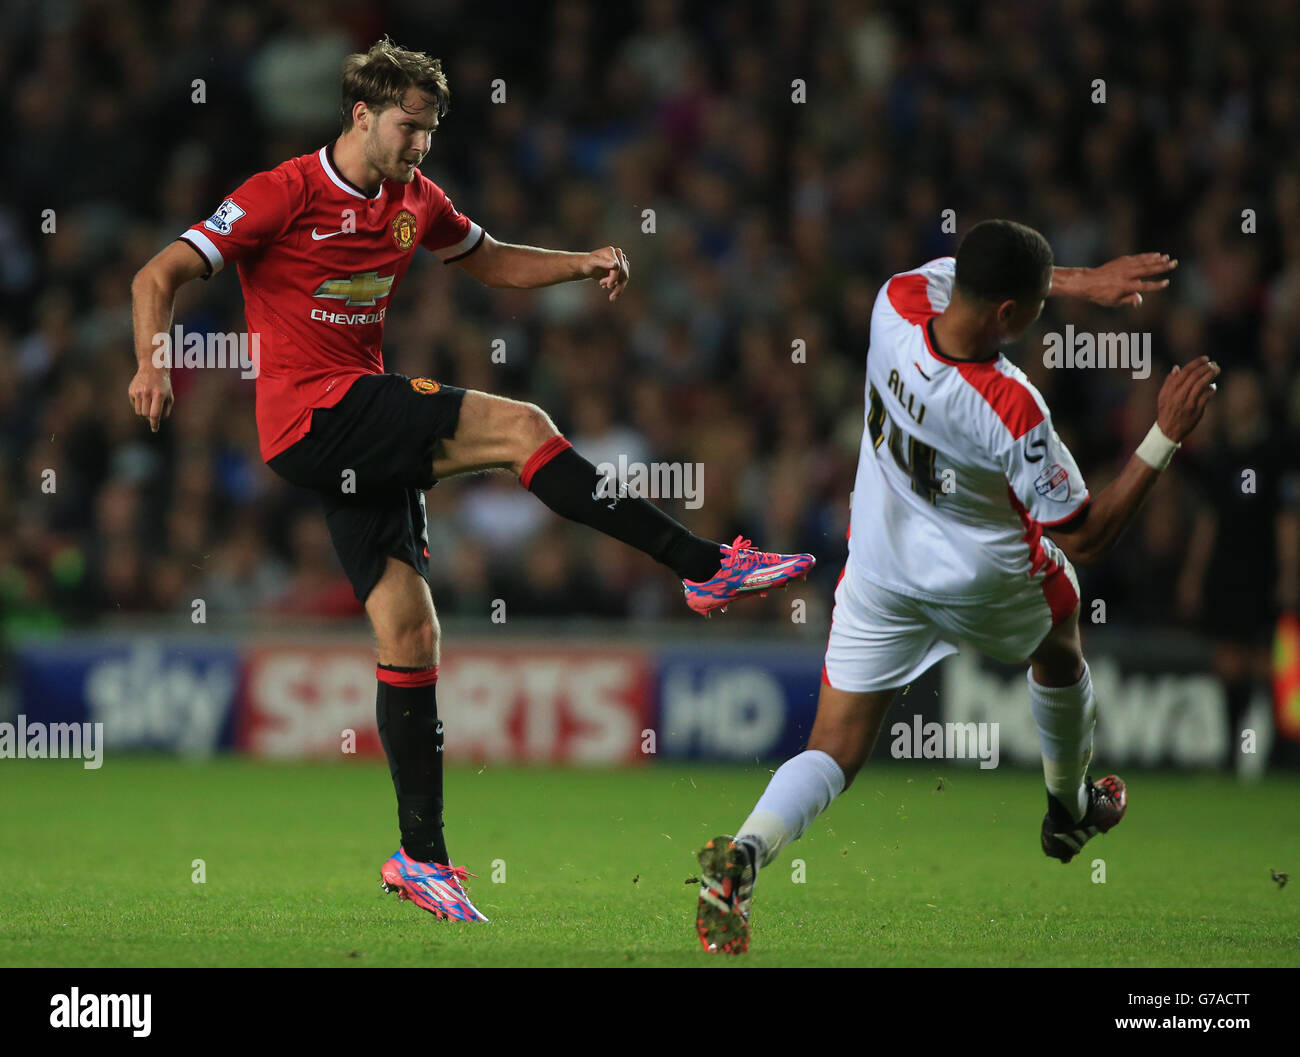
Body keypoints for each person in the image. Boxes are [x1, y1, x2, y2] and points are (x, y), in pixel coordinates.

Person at [128, 38, 814, 925]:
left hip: (352, 431)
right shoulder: (283, 192)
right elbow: (160, 272)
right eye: (409, 127)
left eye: (432, 129)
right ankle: (701, 564)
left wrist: (580, 262)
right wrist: (153, 364)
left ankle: (422, 859)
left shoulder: (416, 200)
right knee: (523, 427)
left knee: (410, 633)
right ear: (362, 114)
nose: (421, 145)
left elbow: (488, 259)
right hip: (312, 415)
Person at [694, 219, 1218, 954]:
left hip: (882, 566)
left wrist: (1083, 280)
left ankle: (745, 854)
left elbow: (975, 273)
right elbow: (1088, 534)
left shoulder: (896, 300)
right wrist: (1164, 435)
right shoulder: (1011, 405)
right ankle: (1067, 808)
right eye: (1037, 303)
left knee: (834, 748)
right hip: (985, 580)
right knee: (1061, 641)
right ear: (1010, 313)